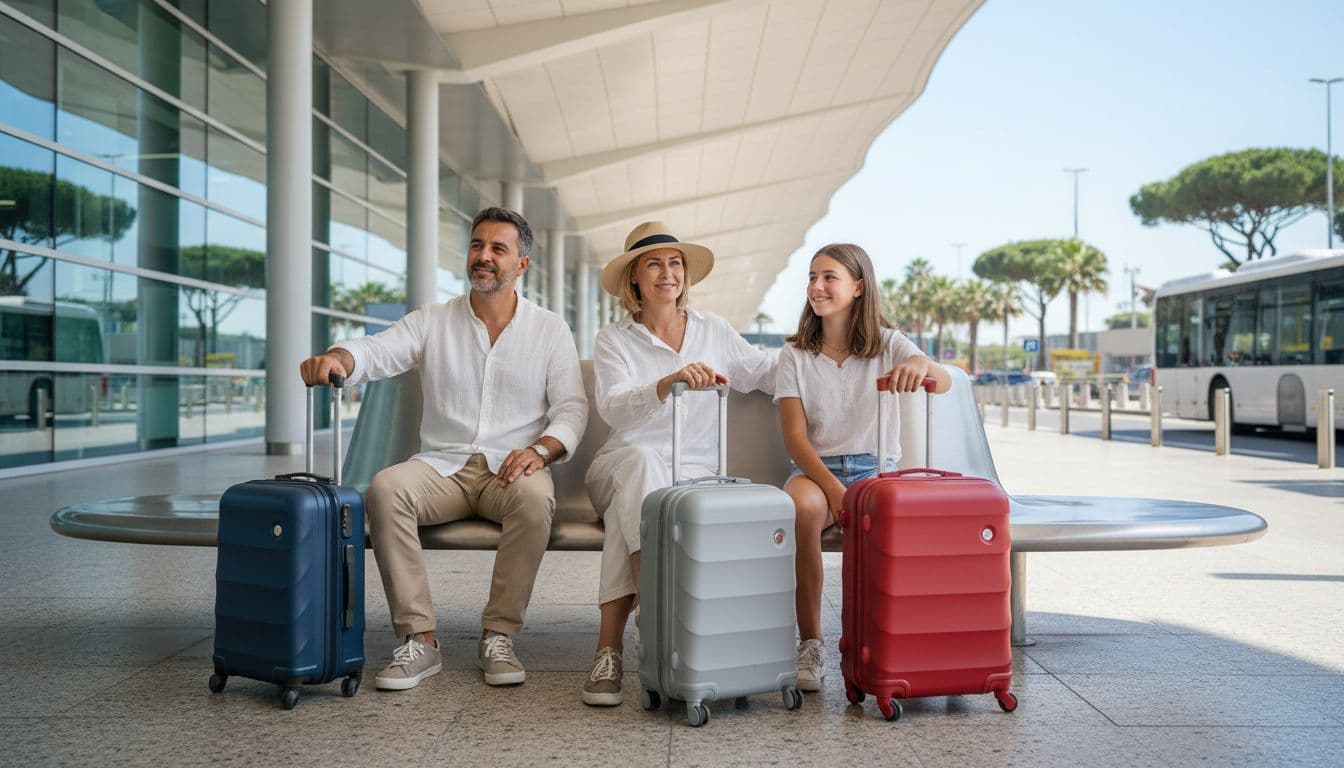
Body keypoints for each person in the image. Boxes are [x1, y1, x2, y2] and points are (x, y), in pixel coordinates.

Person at [298, 207, 587, 691]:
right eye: (478, 246)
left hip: (512, 470)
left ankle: (499, 635)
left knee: (537, 501)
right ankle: (420, 640)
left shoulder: (549, 329)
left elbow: (572, 408)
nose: (484, 257)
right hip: (443, 467)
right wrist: (339, 356)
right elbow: (378, 350)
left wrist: (542, 449)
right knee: (387, 489)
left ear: (522, 265)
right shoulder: (433, 321)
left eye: (499, 249)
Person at [579, 221, 775, 707]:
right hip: (617, 466)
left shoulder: (715, 331)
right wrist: (666, 383)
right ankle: (662, 611)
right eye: (654, 264)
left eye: (675, 263)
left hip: (693, 480)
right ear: (635, 280)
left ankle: (610, 651)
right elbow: (614, 407)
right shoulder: (614, 340)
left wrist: (833, 349)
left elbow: (767, 372)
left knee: (637, 515)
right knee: (643, 468)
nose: (667, 273)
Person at [774, 243, 952, 692]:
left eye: (828, 277)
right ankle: (811, 642)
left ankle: (878, 642)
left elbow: (944, 381)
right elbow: (796, 439)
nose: (816, 286)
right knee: (801, 509)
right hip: (816, 470)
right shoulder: (795, 354)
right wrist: (835, 490)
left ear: (858, 286)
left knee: (889, 517)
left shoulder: (889, 343)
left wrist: (919, 362)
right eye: (812, 277)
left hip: (876, 468)